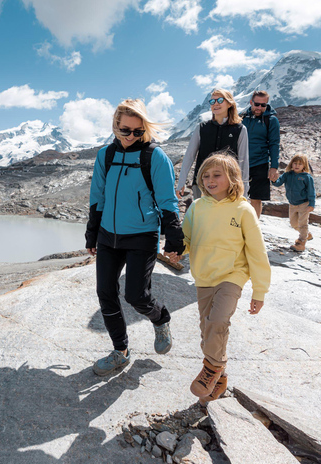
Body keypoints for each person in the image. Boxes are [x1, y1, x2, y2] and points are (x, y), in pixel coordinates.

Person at [85, 99, 185, 376]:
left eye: (137, 132)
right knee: (105, 292)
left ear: (145, 130)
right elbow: (97, 196)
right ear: (115, 126)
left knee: (137, 296)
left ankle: (161, 318)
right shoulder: (105, 155)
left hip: (142, 234)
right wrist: (92, 232)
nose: (130, 137)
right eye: (125, 130)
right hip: (108, 235)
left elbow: (167, 199)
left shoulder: (154, 156)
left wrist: (174, 236)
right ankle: (121, 351)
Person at [178, 153, 270, 405]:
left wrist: (259, 291)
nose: (210, 180)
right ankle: (220, 376)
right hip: (204, 277)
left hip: (232, 275)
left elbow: (257, 252)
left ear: (232, 178)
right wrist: (175, 250)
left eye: (216, 175)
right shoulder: (197, 207)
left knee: (218, 321)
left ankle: (211, 368)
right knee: (208, 331)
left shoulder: (243, 209)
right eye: (205, 176)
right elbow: (185, 239)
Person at [177, 89, 250, 203]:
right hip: (201, 184)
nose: (215, 103)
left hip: (229, 185)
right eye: (212, 101)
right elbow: (189, 156)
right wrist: (181, 182)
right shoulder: (201, 128)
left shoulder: (240, 129)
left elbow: (243, 161)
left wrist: (244, 190)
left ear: (229, 103)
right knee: (203, 219)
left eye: (220, 100)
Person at [241, 90, 281, 218]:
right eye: (257, 104)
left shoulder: (271, 120)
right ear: (251, 102)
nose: (259, 108)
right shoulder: (241, 118)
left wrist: (274, 167)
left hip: (260, 163)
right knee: (236, 196)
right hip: (240, 164)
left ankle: (254, 228)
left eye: (263, 105)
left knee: (256, 198)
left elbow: (274, 143)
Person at [273, 153, 316, 252]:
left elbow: (311, 191)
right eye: (295, 163)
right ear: (291, 164)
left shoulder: (306, 177)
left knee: (302, 223)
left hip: (304, 204)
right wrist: (274, 180)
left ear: (304, 165)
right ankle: (306, 234)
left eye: (300, 164)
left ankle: (301, 243)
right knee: (293, 223)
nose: (297, 165)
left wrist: (311, 204)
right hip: (292, 204)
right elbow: (278, 182)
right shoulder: (287, 174)